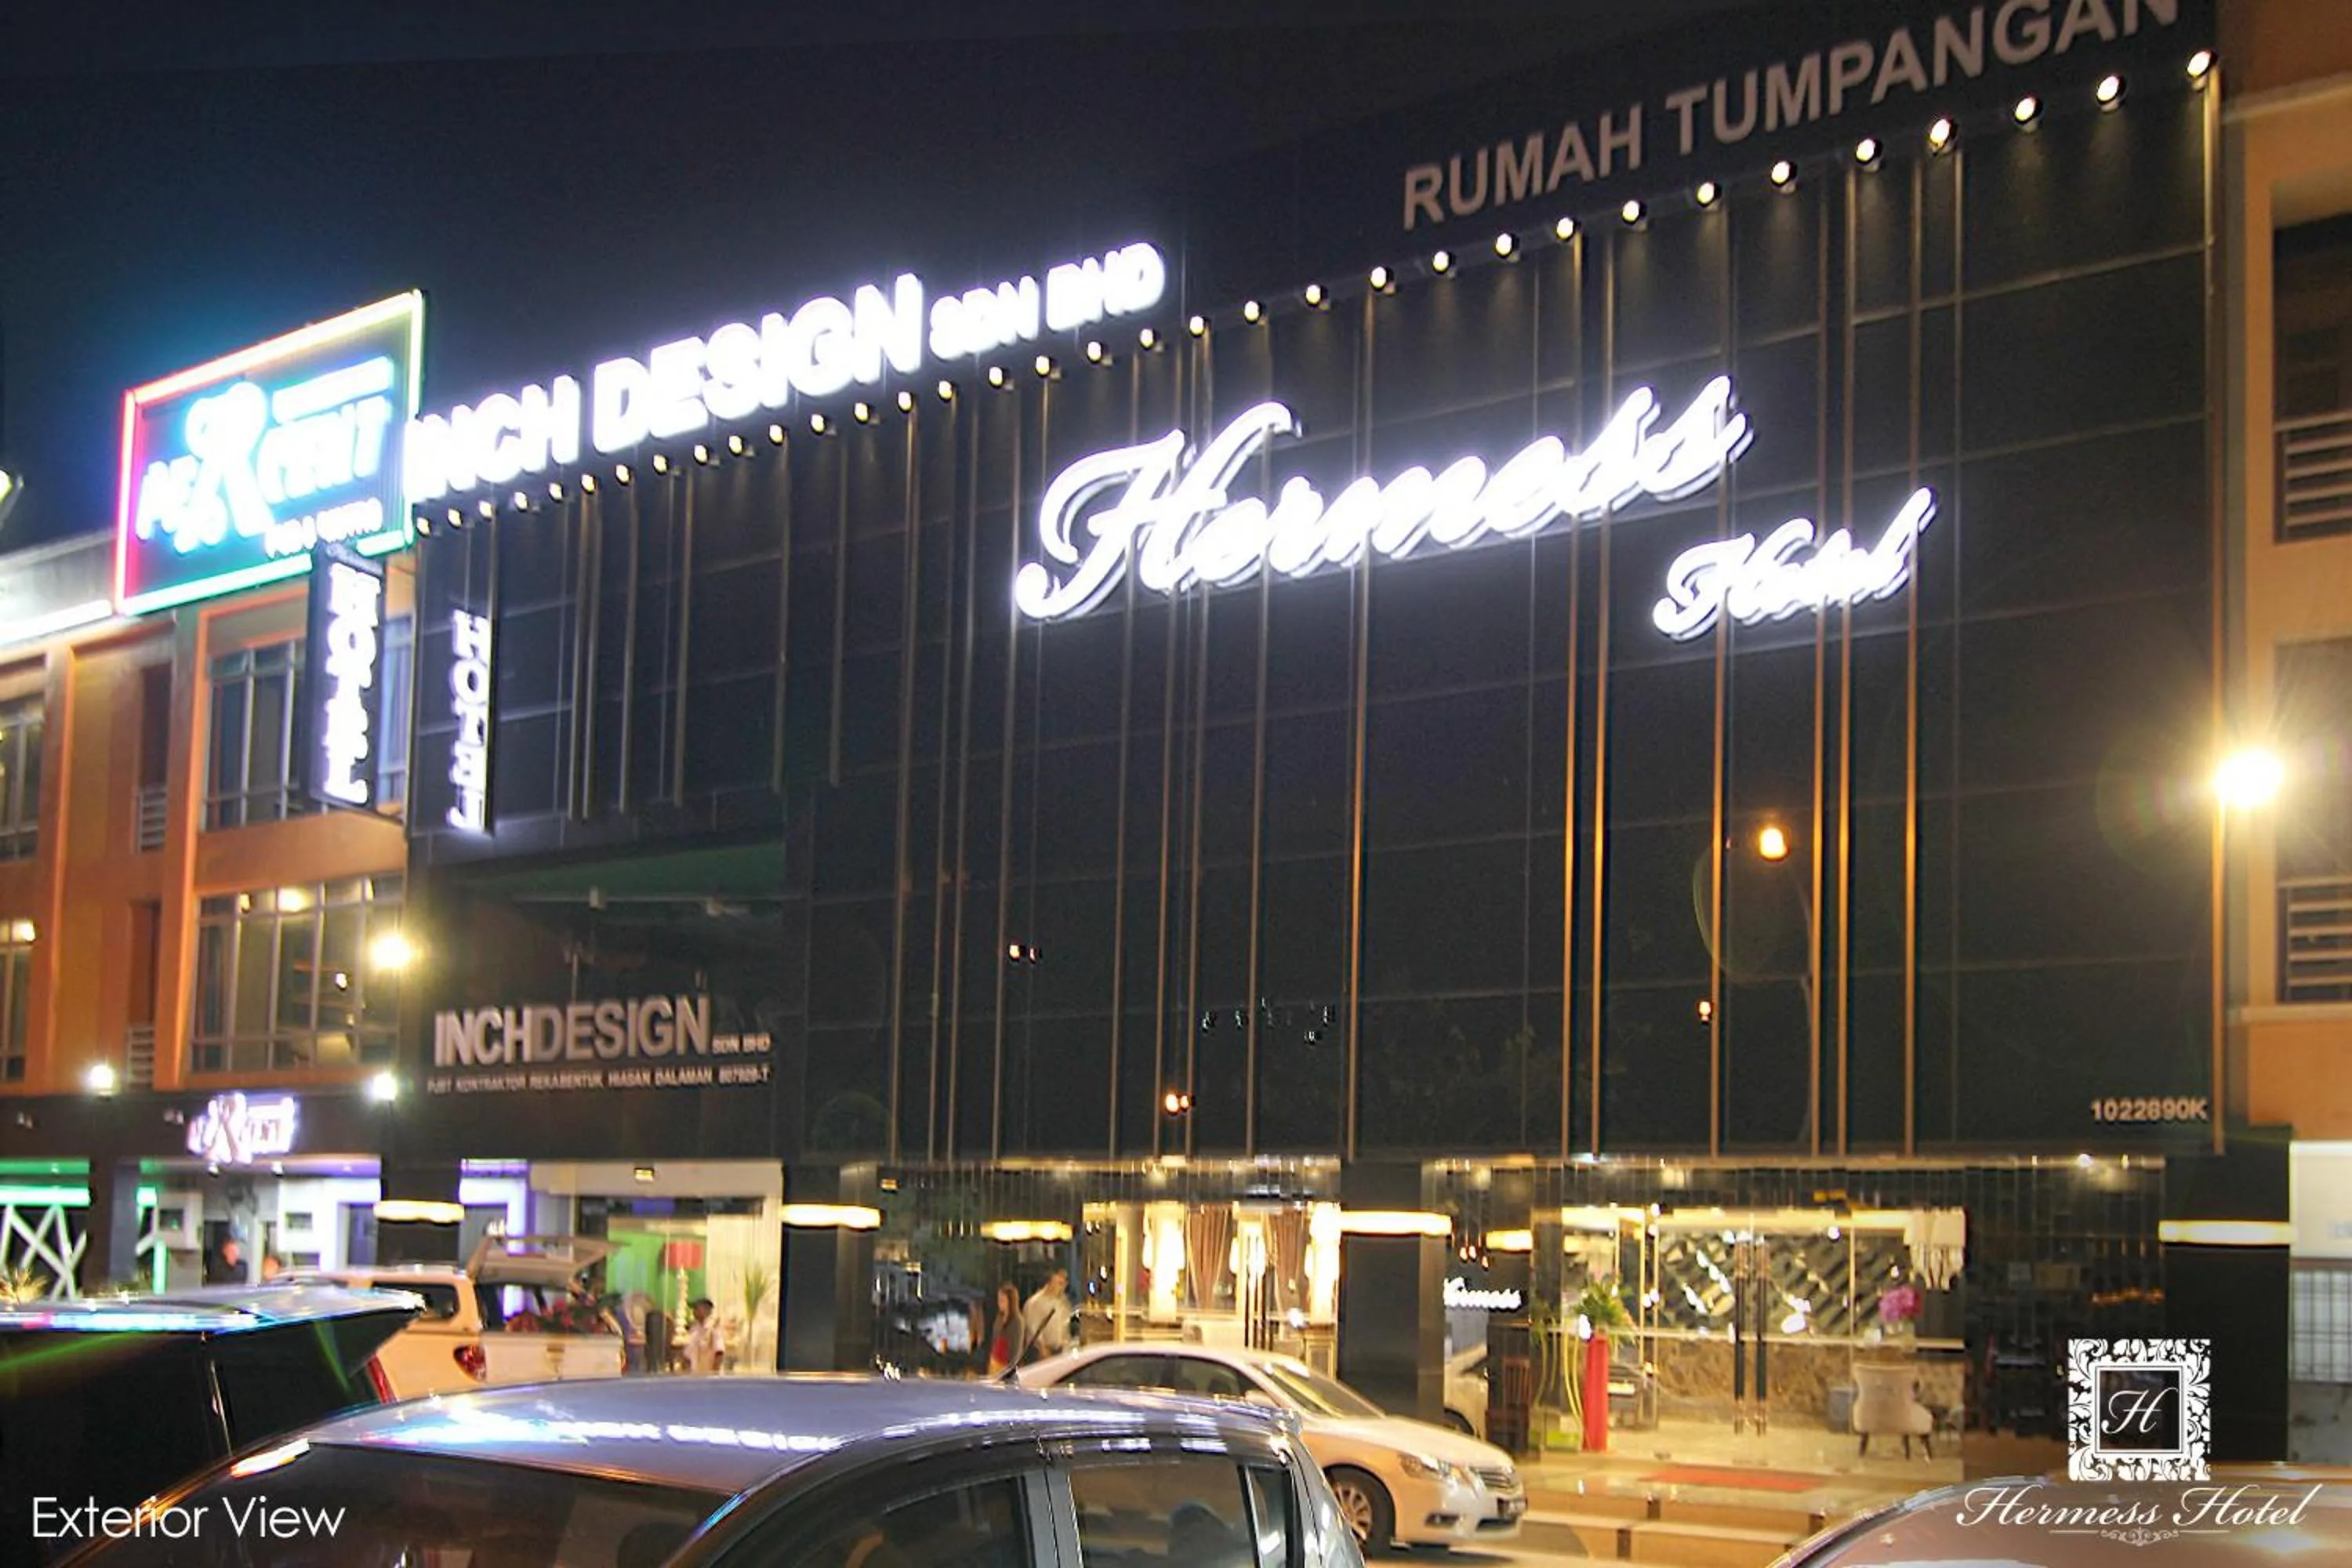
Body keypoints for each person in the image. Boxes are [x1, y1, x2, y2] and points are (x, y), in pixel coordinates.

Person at [1018, 1269, 1072, 1365]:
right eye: (1059, 1283)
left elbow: (1065, 1326)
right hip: (1040, 1353)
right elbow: (1033, 1329)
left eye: (1064, 1284)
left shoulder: (1063, 1302)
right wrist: (1043, 1349)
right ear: (1050, 1282)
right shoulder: (1035, 1303)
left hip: (1059, 1351)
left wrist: (1066, 1346)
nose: (1062, 1287)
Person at [984, 1283, 1021, 1377]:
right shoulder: (999, 1317)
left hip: (1005, 1365)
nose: (999, 1303)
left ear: (1010, 1301)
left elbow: (1016, 1349)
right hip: (995, 1361)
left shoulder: (1017, 1321)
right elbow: (994, 1341)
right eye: (999, 1300)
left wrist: (1009, 1369)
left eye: (1003, 1300)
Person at [684, 1296, 728, 1374]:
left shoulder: (714, 1329)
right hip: (695, 1377)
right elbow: (688, 1355)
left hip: (709, 1378)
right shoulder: (694, 1330)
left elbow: (719, 1353)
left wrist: (714, 1374)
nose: (694, 1312)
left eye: (696, 1308)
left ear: (705, 1310)